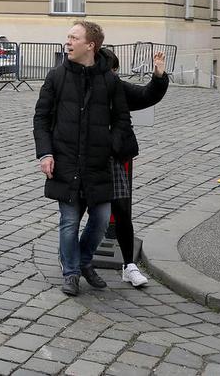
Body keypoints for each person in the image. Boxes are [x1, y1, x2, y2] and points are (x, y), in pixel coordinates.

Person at [33, 21, 145, 297]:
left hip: (98, 162)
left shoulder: (108, 79)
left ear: (90, 45)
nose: (67, 42)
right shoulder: (56, 76)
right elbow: (41, 119)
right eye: (67, 37)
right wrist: (46, 153)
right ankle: (71, 271)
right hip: (66, 159)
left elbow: (122, 117)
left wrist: (112, 144)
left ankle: (83, 261)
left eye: (74, 37)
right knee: (69, 220)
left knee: (102, 218)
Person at [98, 47, 168, 288]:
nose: (114, 75)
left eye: (115, 71)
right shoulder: (80, 86)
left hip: (115, 156)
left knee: (122, 210)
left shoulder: (117, 87)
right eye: (111, 70)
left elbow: (146, 95)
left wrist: (158, 75)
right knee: (82, 210)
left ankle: (129, 266)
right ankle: (76, 260)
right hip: (87, 156)